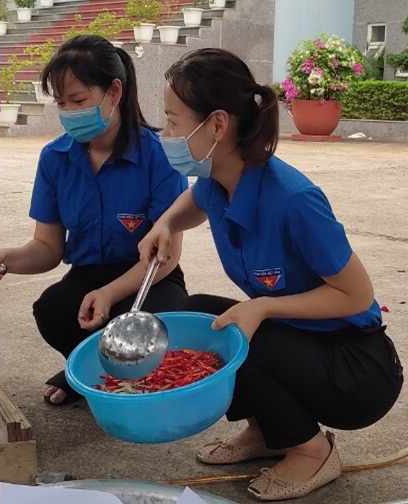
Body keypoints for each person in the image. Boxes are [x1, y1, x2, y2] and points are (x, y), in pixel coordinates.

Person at [138, 48, 403, 501]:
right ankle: (267, 431)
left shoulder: (293, 199)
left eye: (174, 121)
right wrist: (163, 224)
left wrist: (263, 306)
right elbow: (195, 203)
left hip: (355, 366)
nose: (167, 134)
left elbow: (357, 296)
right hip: (300, 339)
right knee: (202, 313)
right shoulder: (219, 180)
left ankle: (311, 450)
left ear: (217, 124)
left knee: (243, 331)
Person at [0, 35, 189, 405]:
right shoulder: (55, 158)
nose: (69, 112)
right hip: (88, 274)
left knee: (160, 320)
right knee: (52, 310)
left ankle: (110, 376)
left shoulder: (159, 156)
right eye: (61, 103)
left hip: (148, 276)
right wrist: (1, 259)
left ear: (114, 92)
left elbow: (167, 258)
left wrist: (111, 293)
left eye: (79, 101)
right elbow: (47, 248)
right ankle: (89, 372)